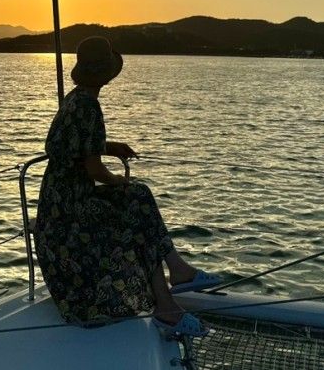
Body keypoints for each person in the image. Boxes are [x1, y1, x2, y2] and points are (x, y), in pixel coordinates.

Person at [33, 35, 221, 337]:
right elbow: (93, 168)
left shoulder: (75, 99)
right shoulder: (89, 106)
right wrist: (117, 180)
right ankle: (174, 284)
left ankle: (172, 290)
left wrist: (108, 146)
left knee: (137, 201)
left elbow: (74, 145)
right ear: (106, 73)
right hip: (71, 209)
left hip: (57, 202)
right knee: (136, 202)